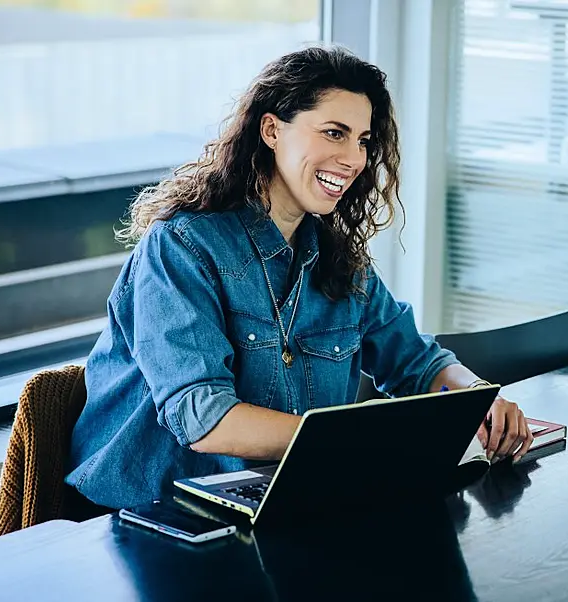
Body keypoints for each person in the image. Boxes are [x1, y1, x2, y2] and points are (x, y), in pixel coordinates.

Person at [66, 46, 533, 511]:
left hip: (281, 497)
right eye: (335, 133)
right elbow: (204, 419)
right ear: (272, 130)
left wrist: (477, 399)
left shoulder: (340, 260)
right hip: (145, 515)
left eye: (364, 141)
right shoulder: (182, 247)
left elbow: (416, 362)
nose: (354, 159)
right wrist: (356, 443)